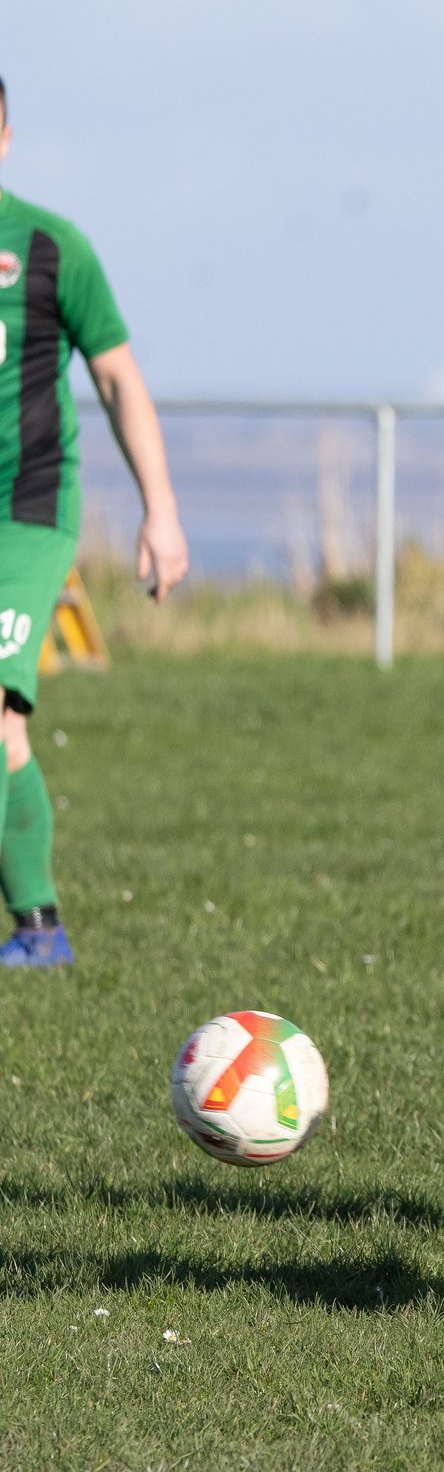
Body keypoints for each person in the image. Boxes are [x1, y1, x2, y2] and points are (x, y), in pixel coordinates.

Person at [0, 74, 190, 970]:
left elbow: (116, 377)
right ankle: (39, 927)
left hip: (24, 510)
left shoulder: (49, 247)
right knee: (7, 734)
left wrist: (160, 511)